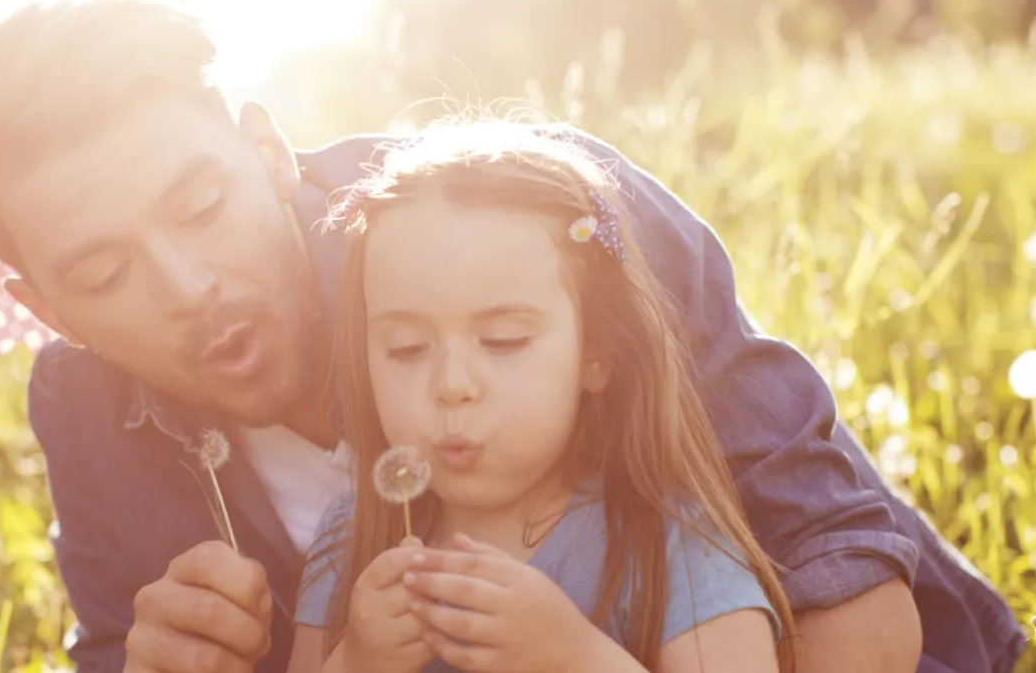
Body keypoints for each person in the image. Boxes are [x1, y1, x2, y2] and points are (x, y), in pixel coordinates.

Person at [0, 0, 1024, 673]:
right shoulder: (83, 407)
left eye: (201, 204)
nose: (188, 284)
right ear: (47, 309)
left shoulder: (531, 215)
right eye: (105, 272)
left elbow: (836, 561)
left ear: (265, 148)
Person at [288, 123, 791, 673]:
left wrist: (575, 658)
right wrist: (356, 662)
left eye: (503, 341)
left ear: (594, 352)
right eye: (407, 348)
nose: (453, 384)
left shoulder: (669, 544)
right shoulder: (353, 543)